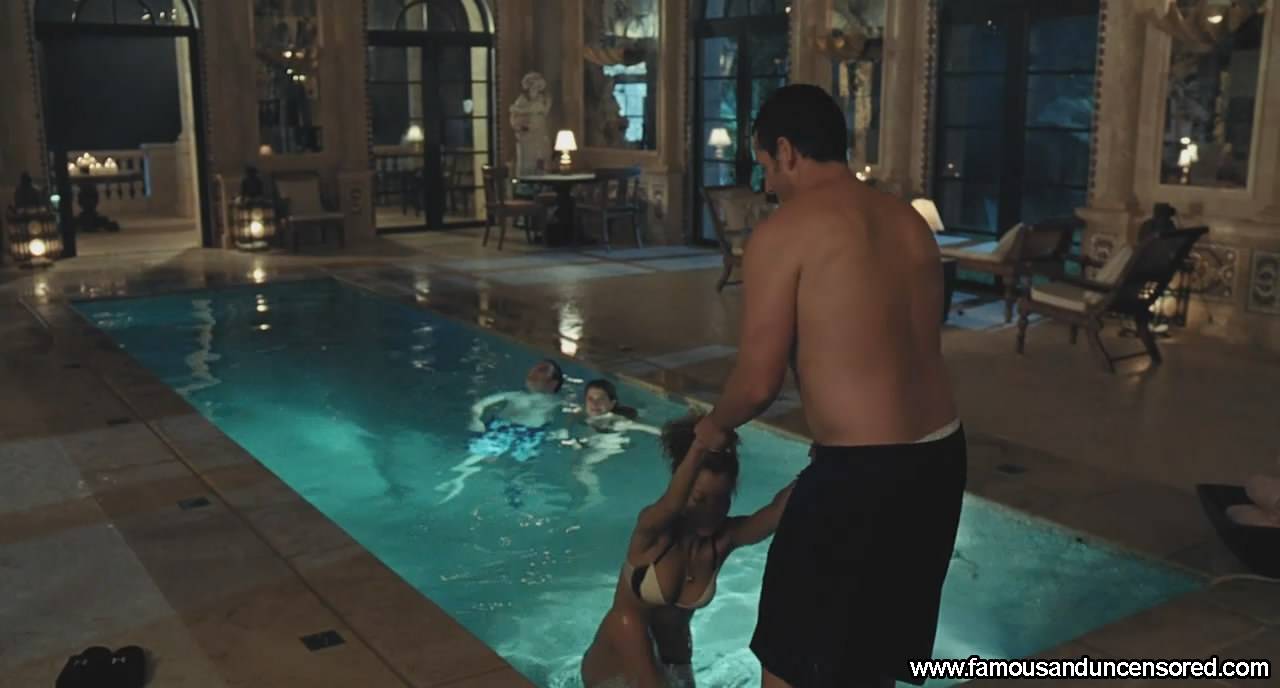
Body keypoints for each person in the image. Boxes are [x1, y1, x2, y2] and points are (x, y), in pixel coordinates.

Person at [690, 84, 967, 688]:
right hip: (941, 460)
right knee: (875, 659)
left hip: (862, 472)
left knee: (792, 664)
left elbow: (757, 383)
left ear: (787, 151)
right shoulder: (909, 222)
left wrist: (713, 425)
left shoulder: (784, 233)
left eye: (765, 166)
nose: (766, 185)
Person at [581, 414, 794, 688]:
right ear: (682, 491)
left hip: (674, 659)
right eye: (699, 499)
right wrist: (699, 446)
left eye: (722, 499)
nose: (711, 510)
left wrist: (824, 461)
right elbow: (671, 504)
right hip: (618, 660)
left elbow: (777, 512)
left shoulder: (723, 540)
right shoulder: (653, 533)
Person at [435, 359, 565, 505]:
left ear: (553, 383)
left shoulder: (557, 402)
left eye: (541, 370)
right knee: (478, 456)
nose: (533, 373)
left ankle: (513, 490)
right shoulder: (515, 395)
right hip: (504, 429)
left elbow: (570, 419)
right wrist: (476, 420)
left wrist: (561, 432)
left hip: (531, 434)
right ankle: (457, 479)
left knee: (522, 465)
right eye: (533, 370)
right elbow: (479, 406)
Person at [570, 379, 660, 507]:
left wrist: (665, 433)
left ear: (612, 404)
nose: (595, 403)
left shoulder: (616, 422)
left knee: (581, 466)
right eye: (590, 399)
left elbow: (647, 428)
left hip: (609, 446)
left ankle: (595, 494)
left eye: (601, 399)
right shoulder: (584, 415)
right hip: (595, 441)